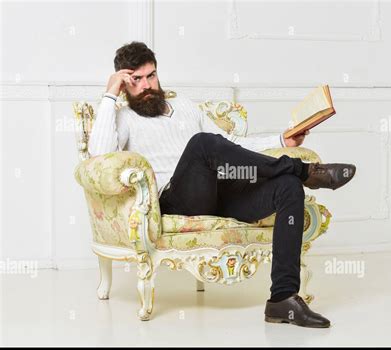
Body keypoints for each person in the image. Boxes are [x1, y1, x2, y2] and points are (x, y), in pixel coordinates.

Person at [89, 42, 356, 328]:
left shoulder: (185, 106)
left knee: (288, 187)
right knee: (202, 144)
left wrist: (282, 142)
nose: (146, 86)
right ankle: (305, 170)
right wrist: (110, 93)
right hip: (177, 199)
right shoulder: (123, 117)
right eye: (136, 80)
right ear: (124, 82)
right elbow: (99, 155)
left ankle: (283, 299)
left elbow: (232, 146)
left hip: (220, 192)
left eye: (151, 76)